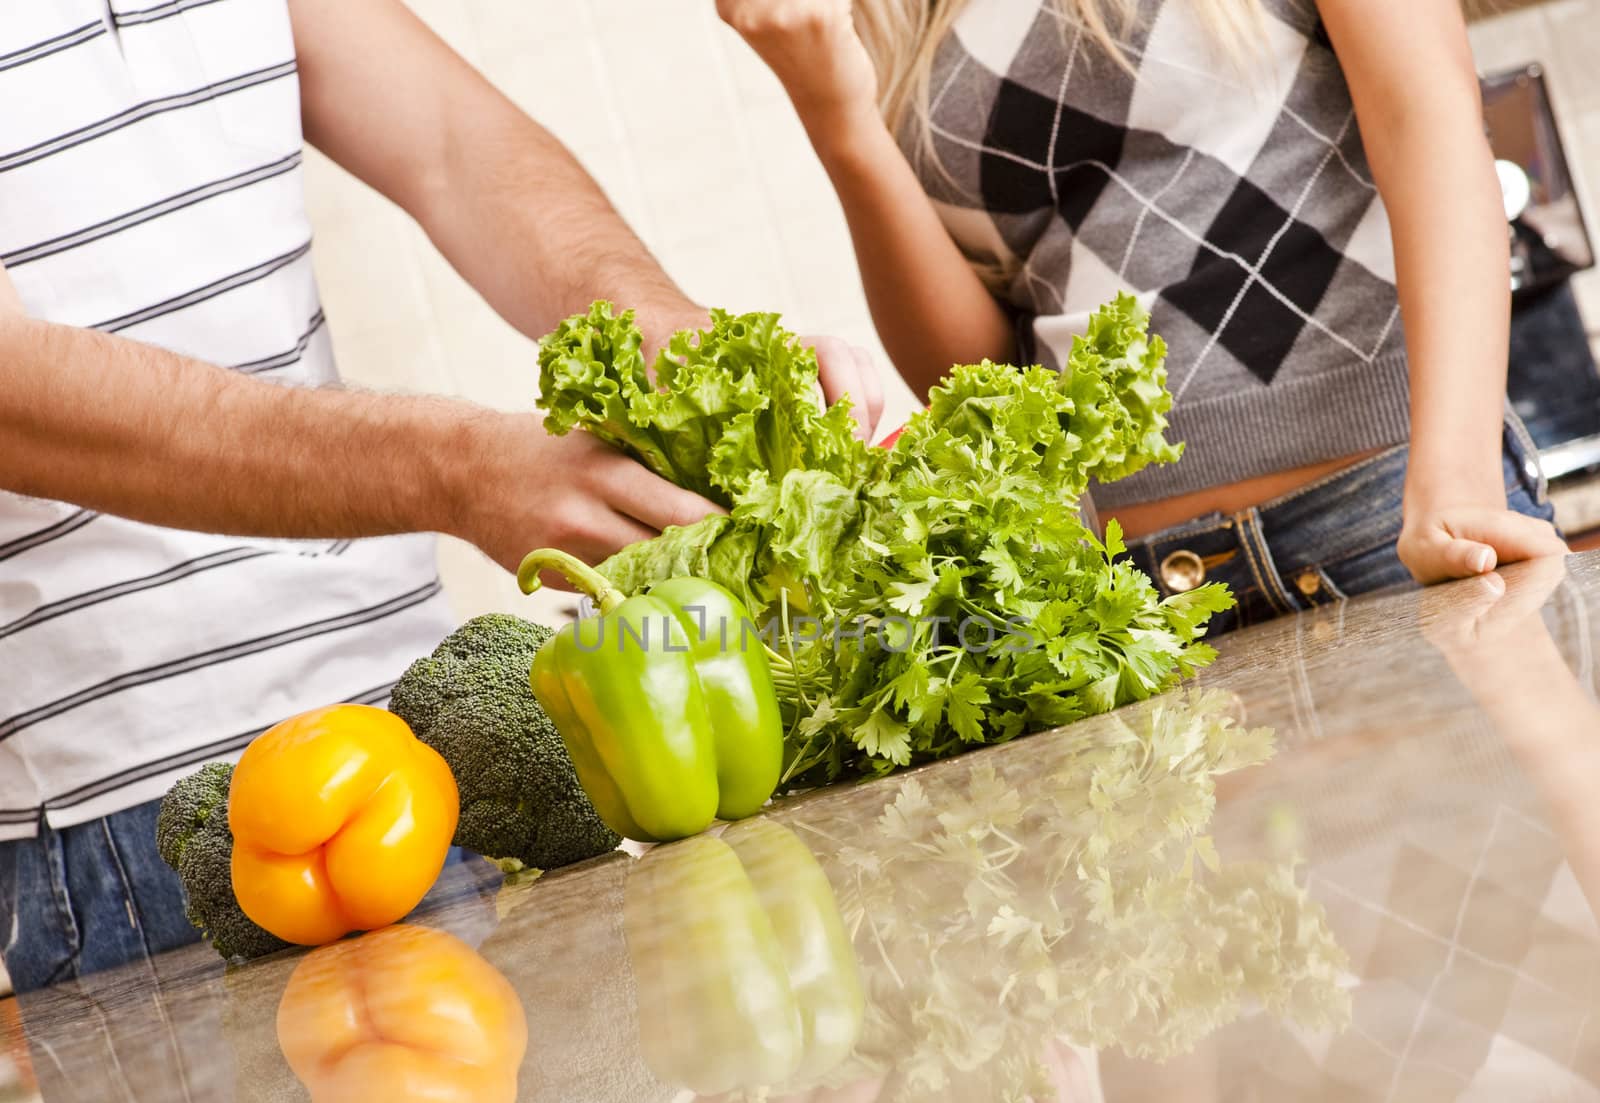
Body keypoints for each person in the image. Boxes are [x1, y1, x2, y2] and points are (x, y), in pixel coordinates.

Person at [0, 0, 881, 992]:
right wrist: (459, 472)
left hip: (424, 731)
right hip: (143, 819)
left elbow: (456, 148)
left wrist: (675, 348)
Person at [717, 0, 1568, 632]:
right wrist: (838, 121)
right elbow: (986, 376)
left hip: (1398, 516)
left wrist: (1456, 474)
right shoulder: (897, 16)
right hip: (1141, 598)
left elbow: (1428, 113)